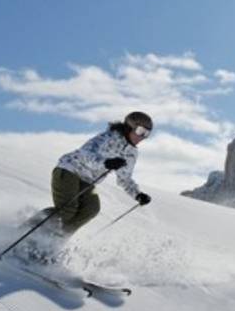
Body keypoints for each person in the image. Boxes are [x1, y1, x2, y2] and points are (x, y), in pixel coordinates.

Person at [22, 112, 154, 263]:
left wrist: (137, 194)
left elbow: (124, 178)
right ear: (129, 127)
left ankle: (48, 247)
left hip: (87, 181)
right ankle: (25, 233)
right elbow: (85, 153)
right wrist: (105, 163)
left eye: (147, 134)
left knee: (91, 208)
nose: (142, 137)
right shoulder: (109, 137)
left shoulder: (131, 153)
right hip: (70, 169)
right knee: (67, 210)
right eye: (140, 131)